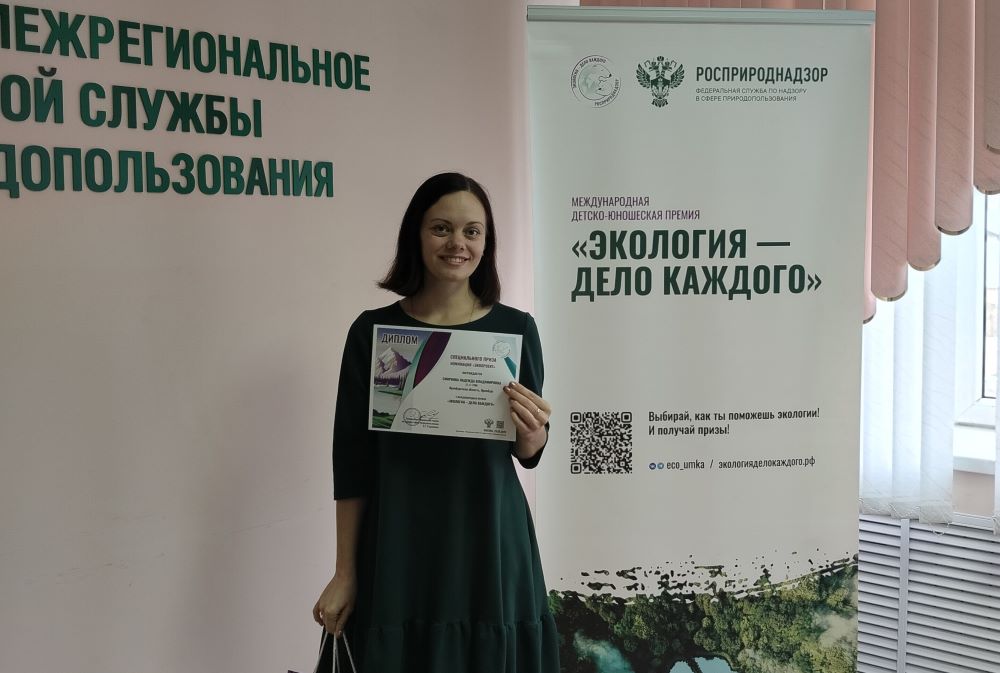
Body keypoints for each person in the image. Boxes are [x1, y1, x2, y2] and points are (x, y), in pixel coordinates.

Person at [312, 172, 560, 672]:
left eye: (472, 231)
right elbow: (352, 462)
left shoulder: (515, 329)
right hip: (398, 542)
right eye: (441, 228)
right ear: (416, 235)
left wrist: (533, 436)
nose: (457, 243)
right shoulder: (373, 332)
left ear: (486, 243)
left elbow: (527, 452)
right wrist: (344, 572)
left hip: (489, 541)